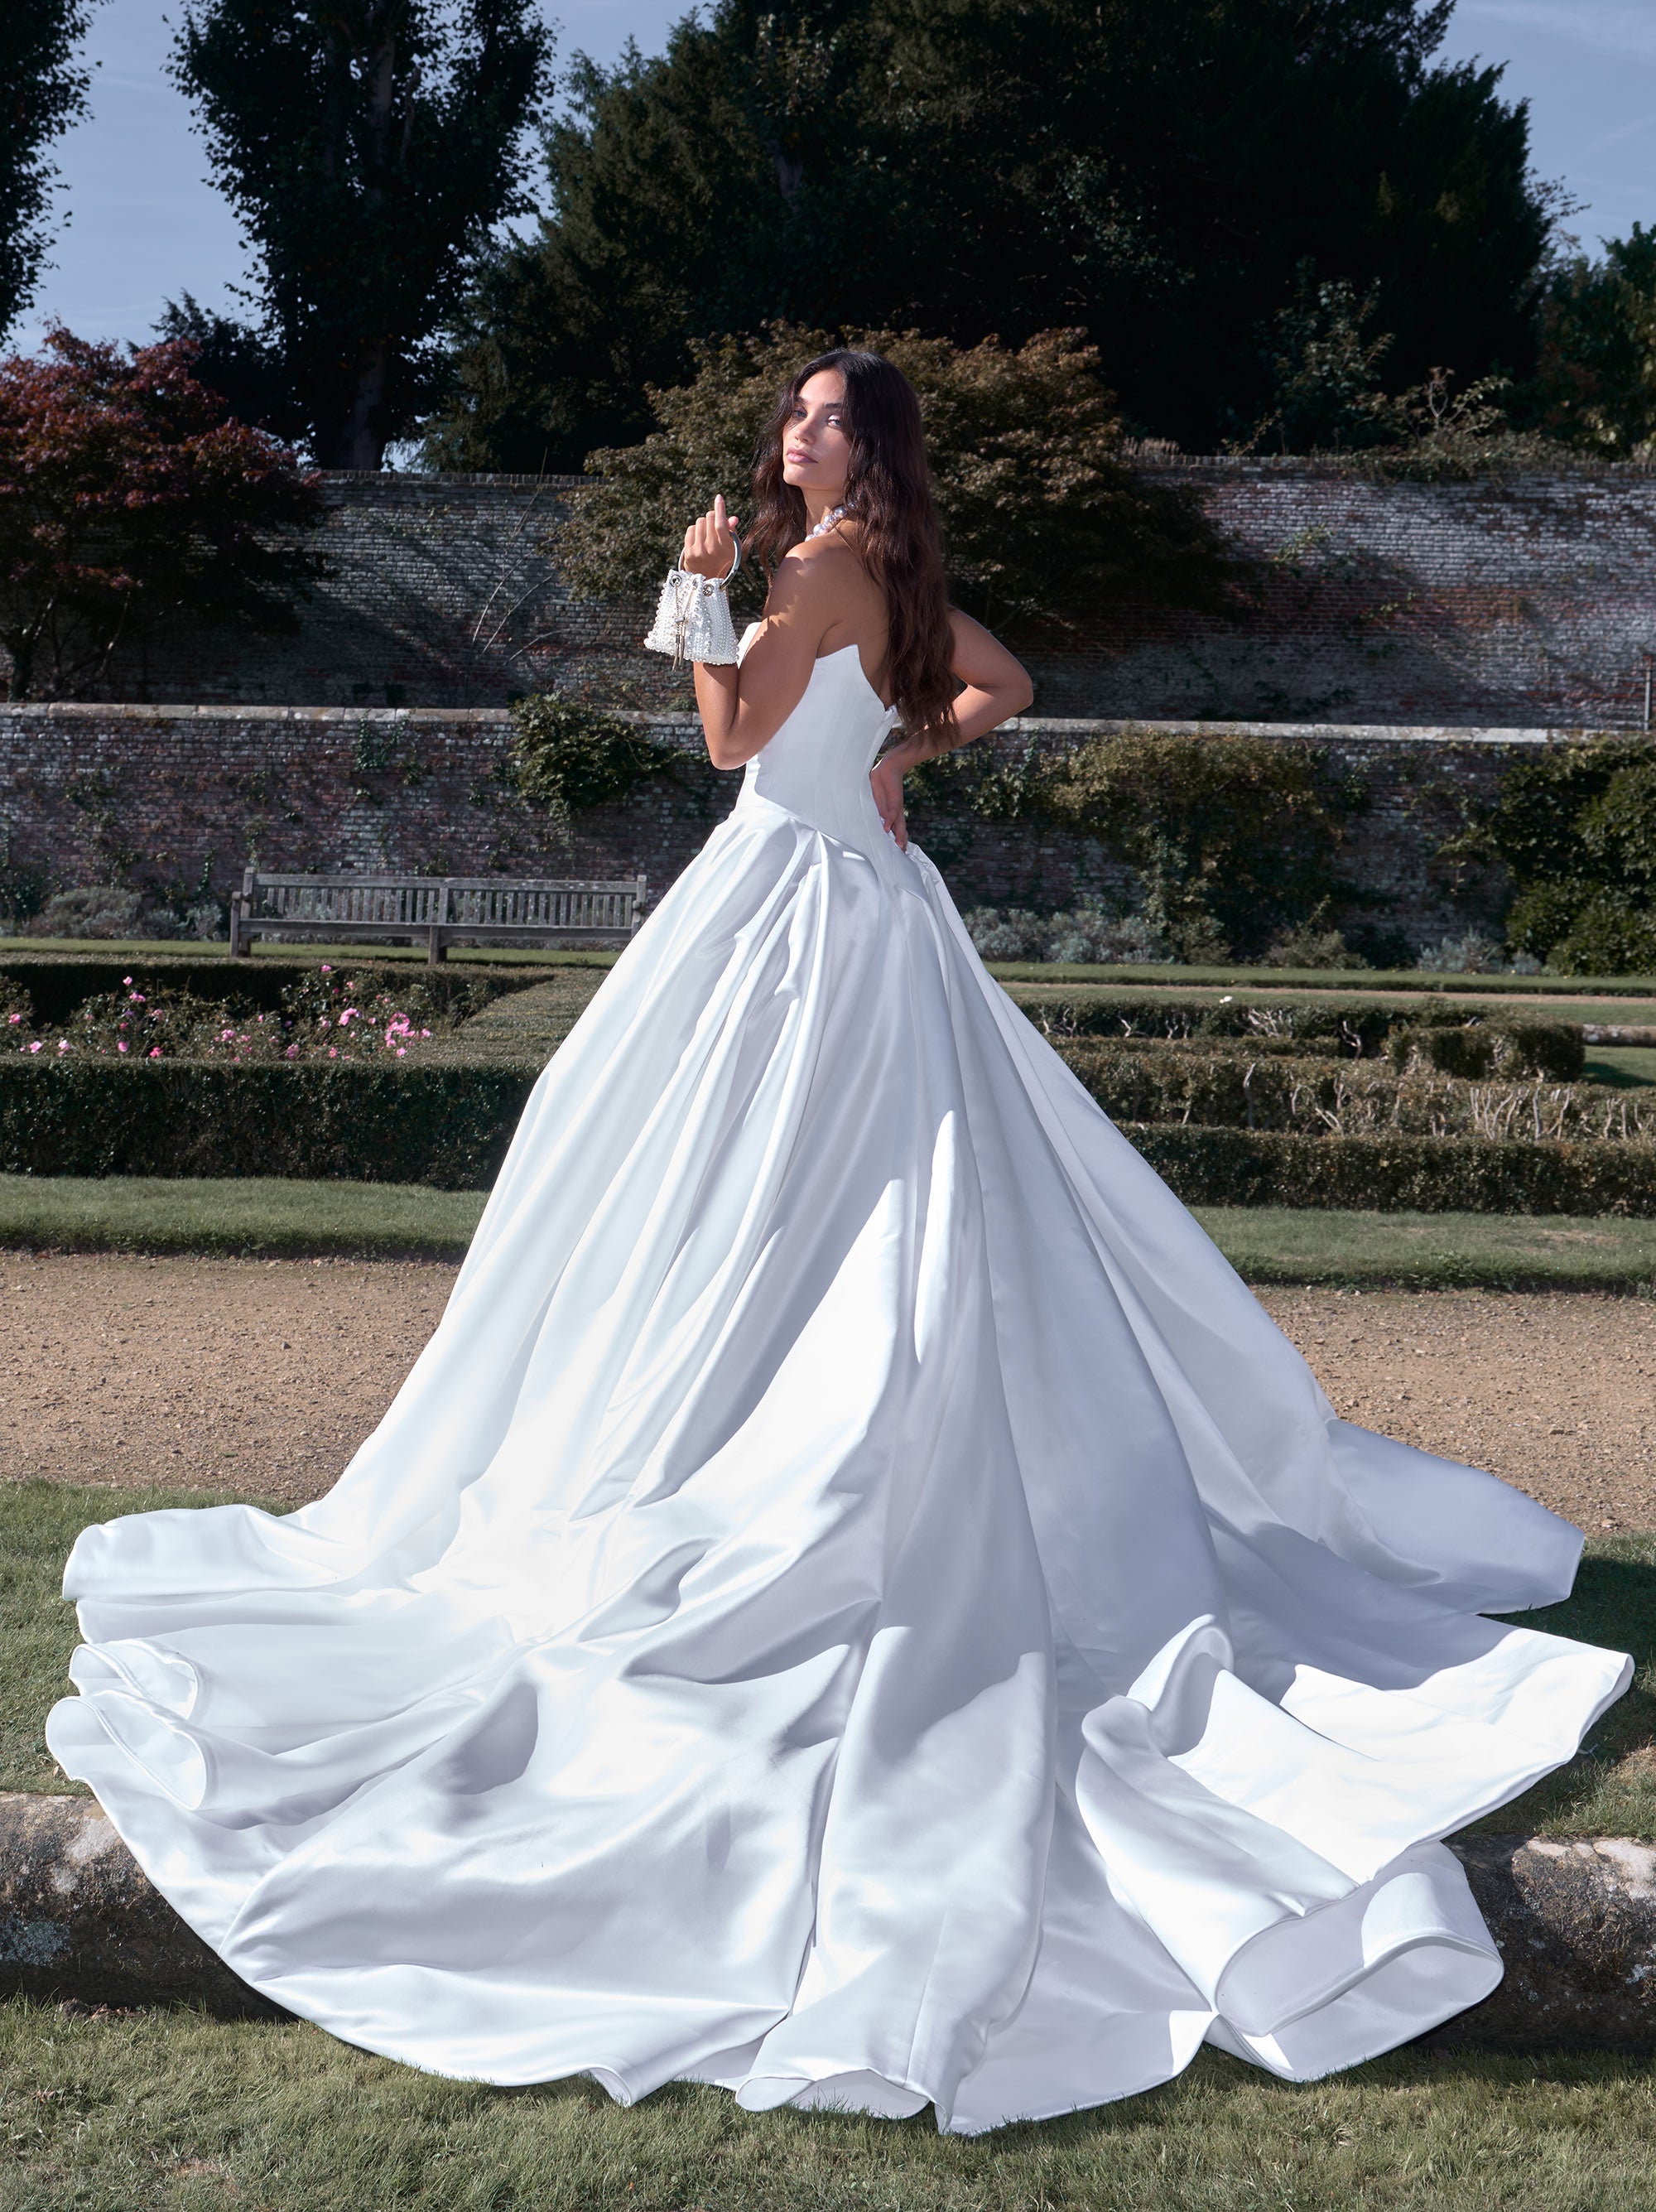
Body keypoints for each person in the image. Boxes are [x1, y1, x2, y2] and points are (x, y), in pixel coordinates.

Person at [49, 349, 1627, 2135]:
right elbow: (1005, 684)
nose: (790, 433)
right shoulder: (894, 569)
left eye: (816, 416)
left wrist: (693, 588)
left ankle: (751, 1465)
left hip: (783, 916)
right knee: (883, 1206)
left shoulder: (805, 569)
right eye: (793, 416)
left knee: (732, 1206)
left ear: (862, 446)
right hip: (871, 904)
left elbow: (726, 742)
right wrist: (902, 759)